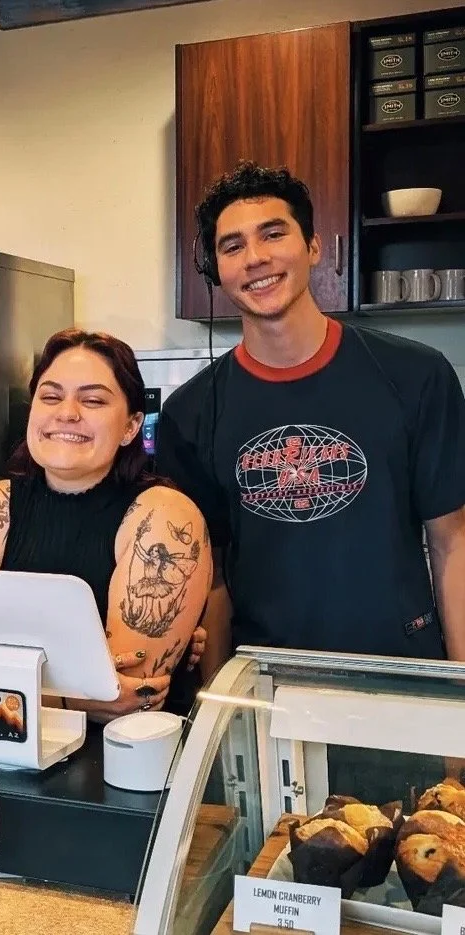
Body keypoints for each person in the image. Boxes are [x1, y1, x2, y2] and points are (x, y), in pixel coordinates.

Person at [156, 161, 465, 796]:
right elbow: (210, 579)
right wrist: (218, 723)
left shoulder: (416, 377)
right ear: (214, 270)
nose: (256, 258)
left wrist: (459, 705)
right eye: (232, 245)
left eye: (274, 234)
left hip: (400, 685)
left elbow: (454, 544)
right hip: (270, 694)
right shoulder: (191, 413)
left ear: (314, 247)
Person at [0, 328, 212, 720]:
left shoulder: (162, 517)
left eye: (93, 400)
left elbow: (124, 701)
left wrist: (1, 681)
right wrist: (75, 695)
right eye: (50, 396)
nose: (67, 413)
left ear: (132, 426)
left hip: (128, 764)